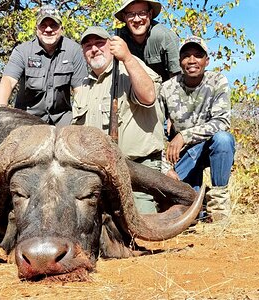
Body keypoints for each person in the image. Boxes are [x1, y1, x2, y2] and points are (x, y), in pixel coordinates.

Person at [72, 26, 164, 213]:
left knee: (141, 232)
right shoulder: (84, 86)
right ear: (83, 53)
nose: (94, 49)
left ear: (112, 45)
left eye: (100, 43)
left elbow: (148, 96)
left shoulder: (129, 67)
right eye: (88, 46)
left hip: (137, 170)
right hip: (98, 175)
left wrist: (128, 57)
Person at [160, 36, 235, 221]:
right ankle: (199, 204)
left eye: (198, 55)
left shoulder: (218, 81)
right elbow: (154, 132)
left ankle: (218, 205)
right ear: (180, 62)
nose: (192, 60)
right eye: (186, 56)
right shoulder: (166, 88)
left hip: (210, 148)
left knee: (224, 139)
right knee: (188, 215)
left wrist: (183, 136)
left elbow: (222, 122)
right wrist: (164, 167)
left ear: (206, 61)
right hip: (183, 156)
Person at [0, 4, 88, 125]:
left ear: (61, 28)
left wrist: (82, 120)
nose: (48, 30)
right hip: (28, 118)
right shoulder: (22, 51)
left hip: (63, 118)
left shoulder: (74, 50)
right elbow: (7, 81)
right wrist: (1, 109)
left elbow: (80, 91)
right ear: (36, 29)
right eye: (43, 25)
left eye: (53, 25)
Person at [114, 0, 181, 82]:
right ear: (124, 17)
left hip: (163, 91)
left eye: (142, 13)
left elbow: (177, 78)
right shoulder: (118, 39)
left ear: (150, 14)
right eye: (131, 14)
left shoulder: (165, 37)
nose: (137, 19)